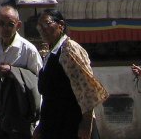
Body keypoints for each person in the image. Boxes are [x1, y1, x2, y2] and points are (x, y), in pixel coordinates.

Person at [33, 8, 108, 139]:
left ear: (60, 25)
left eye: (46, 24)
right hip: (54, 124)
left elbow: (87, 87)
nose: (42, 30)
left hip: (72, 122)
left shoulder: (69, 49)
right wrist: (41, 125)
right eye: (39, 27)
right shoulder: (51, 54)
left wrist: (86, 124)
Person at [0, 4, 43, 139]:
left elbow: (39, 82)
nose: (5, 28)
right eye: (1, 24)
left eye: (10, 24)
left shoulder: (28, 50)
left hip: (20, 116)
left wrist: (13, 72)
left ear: (18, 25)